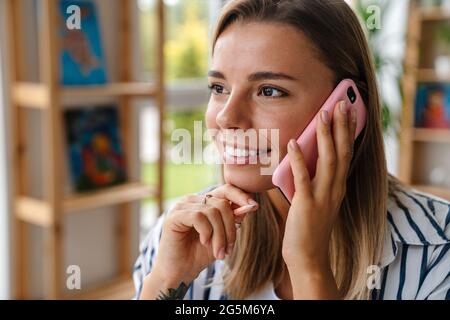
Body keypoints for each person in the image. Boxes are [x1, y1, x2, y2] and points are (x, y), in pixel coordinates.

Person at [133, 0, 450, 300]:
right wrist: (164, 281)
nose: (226, 117)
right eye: (219, 88)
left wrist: (308, 265)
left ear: (346, 110)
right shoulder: (177, 237)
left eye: (269, 91)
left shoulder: (437, 251)